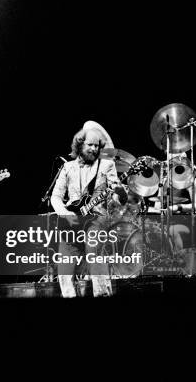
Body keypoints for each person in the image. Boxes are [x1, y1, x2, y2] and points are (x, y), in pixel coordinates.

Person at [50, 127, 128, 297]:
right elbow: (55, 197)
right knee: (64, 268)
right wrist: (66, 214)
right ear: (79, 145)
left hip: (96, 220)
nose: (94, 149)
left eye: (97, 146)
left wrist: (120, 193)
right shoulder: (67, 167)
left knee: (95, 256)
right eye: (90, 145)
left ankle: (102, 295)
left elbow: (117, 199)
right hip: (70, 222)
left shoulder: (107, 165)